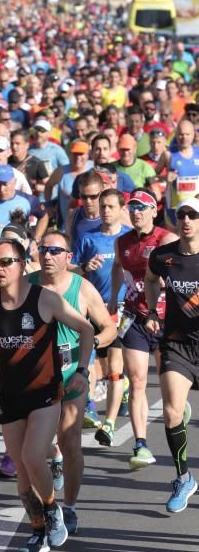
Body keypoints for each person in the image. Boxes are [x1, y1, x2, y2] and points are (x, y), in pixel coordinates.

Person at [0, 238, 95, 552]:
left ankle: (54, 511)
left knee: (31, 456)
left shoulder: (45, 299)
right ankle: (38, 530)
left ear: (21, 264)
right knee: (22, 475)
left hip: (45, 393)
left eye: (5, 263)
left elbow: (86, 330)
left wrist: (82, 371)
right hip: (10, 395)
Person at [28, 230, 117, 534]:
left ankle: (70, 508)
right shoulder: (27, 286)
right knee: (34, 447)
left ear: (69, 257)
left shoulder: (82, 288)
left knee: (70, 439)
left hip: (72, 374)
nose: (48, 256)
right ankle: (53, 472)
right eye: (44, 250)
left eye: (56, 251)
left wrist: (90, 352)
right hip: (34, 378)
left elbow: (107, 328)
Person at [108, 189, 177, 468]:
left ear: (152, 210)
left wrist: (165, 285)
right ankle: (141, 445)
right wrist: (113, 297)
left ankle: (177, 409)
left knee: (168, 382)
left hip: (166, 319)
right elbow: (116, 267)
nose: (135, 211)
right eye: (131, 207)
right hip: (135, 316)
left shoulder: (166, 239)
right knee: (136, 381)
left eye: (141, 207)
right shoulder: (121, 242)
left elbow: (182, 273)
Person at [144, 197, 199, 513]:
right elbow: (151, 279)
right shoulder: (164, 257)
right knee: (171, 411)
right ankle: (183, 477)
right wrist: (153, 310)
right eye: (182, 215)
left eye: (193, 215)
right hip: (177, 346)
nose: (187, 220)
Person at [73, 189, 132, 445]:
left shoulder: (128, 239)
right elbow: (70, 267)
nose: (106, 211)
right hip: (93, 307)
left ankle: (108, 424)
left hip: (120, 308)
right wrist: (86, 267)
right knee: (96, 362)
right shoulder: (88, 238)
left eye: (111, 206)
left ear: (121, 209)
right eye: (103, 206)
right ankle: (92, 407)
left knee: (115, 366)